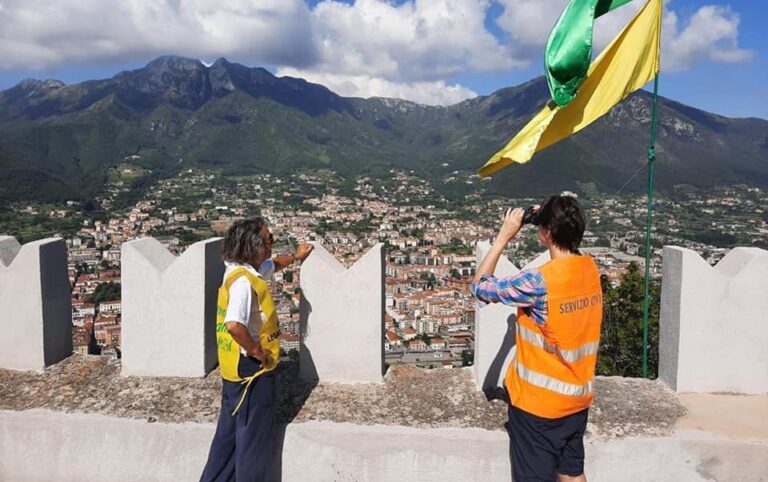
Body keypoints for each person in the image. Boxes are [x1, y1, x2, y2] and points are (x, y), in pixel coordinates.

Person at [471, 193, 602, 482]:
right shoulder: (590, 270)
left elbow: (480, 288)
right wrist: (548, 214)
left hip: (538, 408)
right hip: (577, 399)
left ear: (546, 233)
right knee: (572, 473)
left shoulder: (538, 281)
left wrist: (503, 237)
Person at [201, 216, 313, 482]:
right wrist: (257, 351)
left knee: (227, 439)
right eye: (268, 239)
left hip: (233, 371)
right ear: (254, 245)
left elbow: (272, 265)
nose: (272, 242)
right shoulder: (242, 284)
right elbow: (234, 324)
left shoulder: (239, 270)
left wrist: (295, 258)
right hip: (252, 372)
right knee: (254, 443)